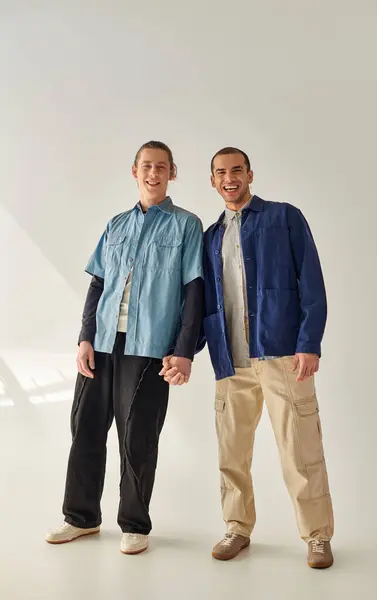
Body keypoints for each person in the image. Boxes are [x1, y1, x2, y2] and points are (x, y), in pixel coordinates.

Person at [165, 146, 334, 568]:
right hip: (231, 363)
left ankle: (317, 535)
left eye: (236, 170)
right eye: (220, 172)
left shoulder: (284, 218)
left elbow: (311, 280)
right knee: (232, 453)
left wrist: (309, 342)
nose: (229, 178)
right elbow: (202, 303)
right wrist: (182, 353)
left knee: (300, 450)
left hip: (282, 357)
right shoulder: (209, 237)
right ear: (212, 181)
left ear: (250, 174)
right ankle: (237, 527)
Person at [46, 141, 204, 555]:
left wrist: (184, 350)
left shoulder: (186, 225)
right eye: (146, 166)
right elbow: (97, 283)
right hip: (102, 342)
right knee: (85, 428)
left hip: (150, 346)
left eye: (162, 167)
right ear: (134, 170)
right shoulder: (116, 224)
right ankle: (80, 518)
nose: (153, 173)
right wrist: (84, 337)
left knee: (138, 436)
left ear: (173, 173)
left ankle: (134, 524)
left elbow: (194, 291)